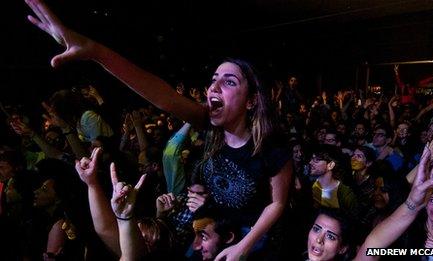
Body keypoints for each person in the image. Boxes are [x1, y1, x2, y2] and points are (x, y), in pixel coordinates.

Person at [25, 2, 292, 260]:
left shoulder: (271, 145)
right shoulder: (210, 128)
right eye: (214, 80)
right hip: (216, 232)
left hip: (257, 240)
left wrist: (244, 246)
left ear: (251, 101)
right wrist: (96, 52)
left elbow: (277, 204)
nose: (214, 87)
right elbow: (161, 94)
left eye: (229, 81)